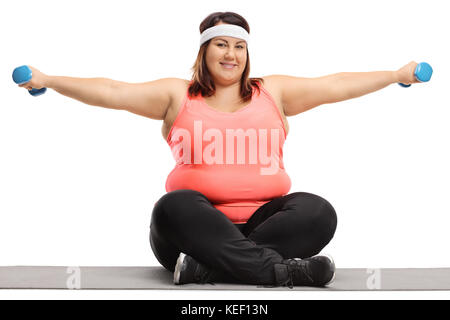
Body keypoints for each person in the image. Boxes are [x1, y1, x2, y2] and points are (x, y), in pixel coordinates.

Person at [18, 11, 422, 288]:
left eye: (239, 47)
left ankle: (209, 271)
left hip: (267, 227)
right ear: (204, 52)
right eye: (221, 45)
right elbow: (112, 91)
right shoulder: (177, 95)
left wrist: (393, 76)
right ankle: (283, 274)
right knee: (171, 206)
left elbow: (335, 85)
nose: (231, 54)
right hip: (192, 232)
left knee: (318, 211)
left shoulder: (273, 92)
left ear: (248, 54)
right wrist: (50, 80)